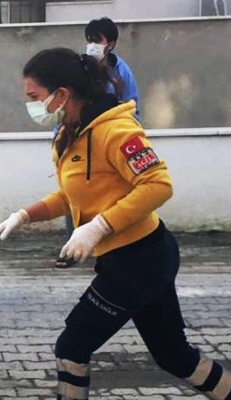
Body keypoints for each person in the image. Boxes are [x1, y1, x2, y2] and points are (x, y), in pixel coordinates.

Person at [0, 48, 231, 400]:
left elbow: (158, 185)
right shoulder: (70, 132)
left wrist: (98, 227)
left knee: (71, 348)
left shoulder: (115, 130)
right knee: (174, 355)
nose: (30, 105)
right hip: (134, 260)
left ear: (62, 94)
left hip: (140, 260)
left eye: (33, 96)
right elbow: (73, 195)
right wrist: (24, 215)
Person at [56, 16, 141, 269]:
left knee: (109, 195)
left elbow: (132, 106)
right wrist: (60, 138)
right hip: (78, 140)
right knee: (73, 193)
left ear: (111, 44)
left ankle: (110, 247)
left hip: (108, 143)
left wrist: (128, 136)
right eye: (89, 39)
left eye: (97, 40)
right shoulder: (79, 68)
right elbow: (64, 105)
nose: (92, 44)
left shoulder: (121, 73)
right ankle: (72, 250)